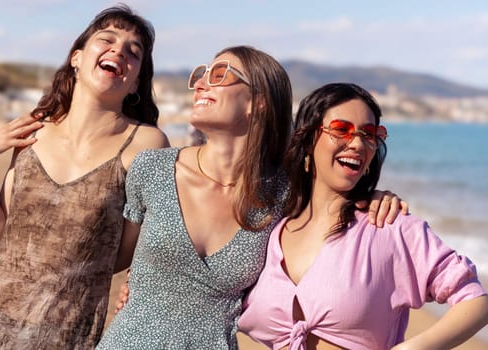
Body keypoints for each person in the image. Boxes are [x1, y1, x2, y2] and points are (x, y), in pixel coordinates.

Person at [98, 47, 407, 349]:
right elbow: (112, 259)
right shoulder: (153, 169)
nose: (201, 84)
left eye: (220, 74)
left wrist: (374, 197)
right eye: (201, 75)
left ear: (258, 102)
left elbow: (332, 198)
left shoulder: (284, 194)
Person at [0, 4, 169, 349]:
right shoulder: (35, 131)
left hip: (68, 333)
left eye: (133, 52)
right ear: (76, 57)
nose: (119, 50)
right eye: (107, 39)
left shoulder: (147, 144)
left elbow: (124, 254)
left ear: (135, 83)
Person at [237, 82, 488, 349]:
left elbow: (476, 301)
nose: (357, 143)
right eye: (341, 130)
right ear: (309, 140)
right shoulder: (271, 228)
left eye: (369, 134)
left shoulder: (390, 226)